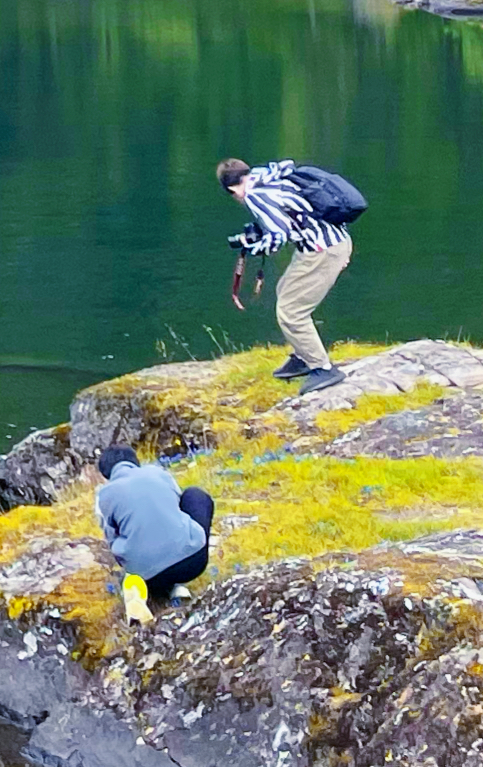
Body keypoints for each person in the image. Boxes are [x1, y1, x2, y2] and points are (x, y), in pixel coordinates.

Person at [219, 155, 360, 389]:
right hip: (327, 243)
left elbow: (279, 234)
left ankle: (322, 368)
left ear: (232, 187)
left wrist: (253, 246)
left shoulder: (255, 195)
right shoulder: (269, 176)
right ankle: (302, 356)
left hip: (322, 251)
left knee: (292, 310)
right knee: (284, 289)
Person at [91, 444, 215, 613]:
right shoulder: (157, 472)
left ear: (106, 473)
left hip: (147, 577)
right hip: (193, 563)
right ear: (135, 461)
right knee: (195, 495)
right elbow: (177, 505)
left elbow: (112, 540)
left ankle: (157, 590)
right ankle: (175, 586)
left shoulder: (104, 496)